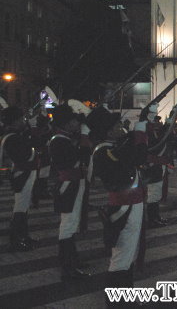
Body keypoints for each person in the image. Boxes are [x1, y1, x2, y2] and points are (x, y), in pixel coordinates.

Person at [87, 106, 147, 306]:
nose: (121, 127)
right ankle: (116, 302)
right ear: (109, 130)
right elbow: (134, 157)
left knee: (128, 255)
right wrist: (139, 130)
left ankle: (126, 295)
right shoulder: (104, 151)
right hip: (123, 208)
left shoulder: (113, 147)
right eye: (117, 125)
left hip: (131, 205)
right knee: (121, 258)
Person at [49, 104, 90, 279]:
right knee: (68, 226)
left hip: (72, 184)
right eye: (73, 120)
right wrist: (84, 138)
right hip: (68, 186)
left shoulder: (63, 139)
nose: (76, 123)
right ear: (65, 124)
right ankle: (68, 266)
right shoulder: (59, 140)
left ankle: (71, 259)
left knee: (71, 225)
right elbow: (79, 157)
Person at [1, 106, 38, 251]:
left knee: (23, 207)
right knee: (20, 209)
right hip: (22, 174)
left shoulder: (14, 135)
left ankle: (23, 236)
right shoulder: (13, 138)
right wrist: (33, 128)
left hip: (23, 173)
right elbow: (32, 147)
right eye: (21, 119)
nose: (24, 121)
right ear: (15, 121)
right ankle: (15, 240)